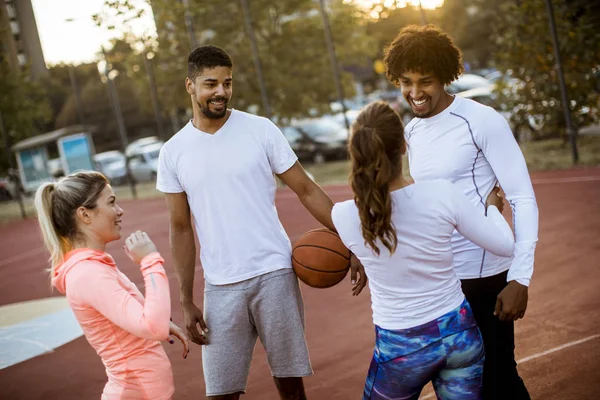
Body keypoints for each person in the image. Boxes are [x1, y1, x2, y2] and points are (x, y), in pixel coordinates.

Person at [156, 45, 367, 400]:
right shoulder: (173, 152)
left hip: (275, 274)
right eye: (210, 84)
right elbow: (180, 228)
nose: (221, 91)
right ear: (190, 86)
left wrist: (350, 241)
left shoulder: (260, 130)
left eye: (227, 83)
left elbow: (306, 189)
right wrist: (186, 299)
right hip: (221, 287)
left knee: (291, 388)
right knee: (221, 393)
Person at [383, 24, 539, 399]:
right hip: (441, 280)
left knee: (499, 376)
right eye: (406, 82)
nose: (415, 93)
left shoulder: (481, 120)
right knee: (455, 385)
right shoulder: (414, 131)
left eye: (426, 81)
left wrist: (520, 278)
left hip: (485, 274)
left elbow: (522, 197)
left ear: (446, 77)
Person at [332, 101, 516, 399]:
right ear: (404, 146)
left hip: (401, 349)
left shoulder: (344, 215)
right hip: (458, 334)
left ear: (355, 152)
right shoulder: (441, 193)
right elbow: (505, 246)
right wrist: (492, 209)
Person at [34, 171, 189, 400]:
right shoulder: (88, 274)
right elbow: (151, 327)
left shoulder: (93, 266)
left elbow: (137, 319)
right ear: (85, 215)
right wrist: (150, 260)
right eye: (111, 202)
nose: (120, 211)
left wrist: (160, 320)